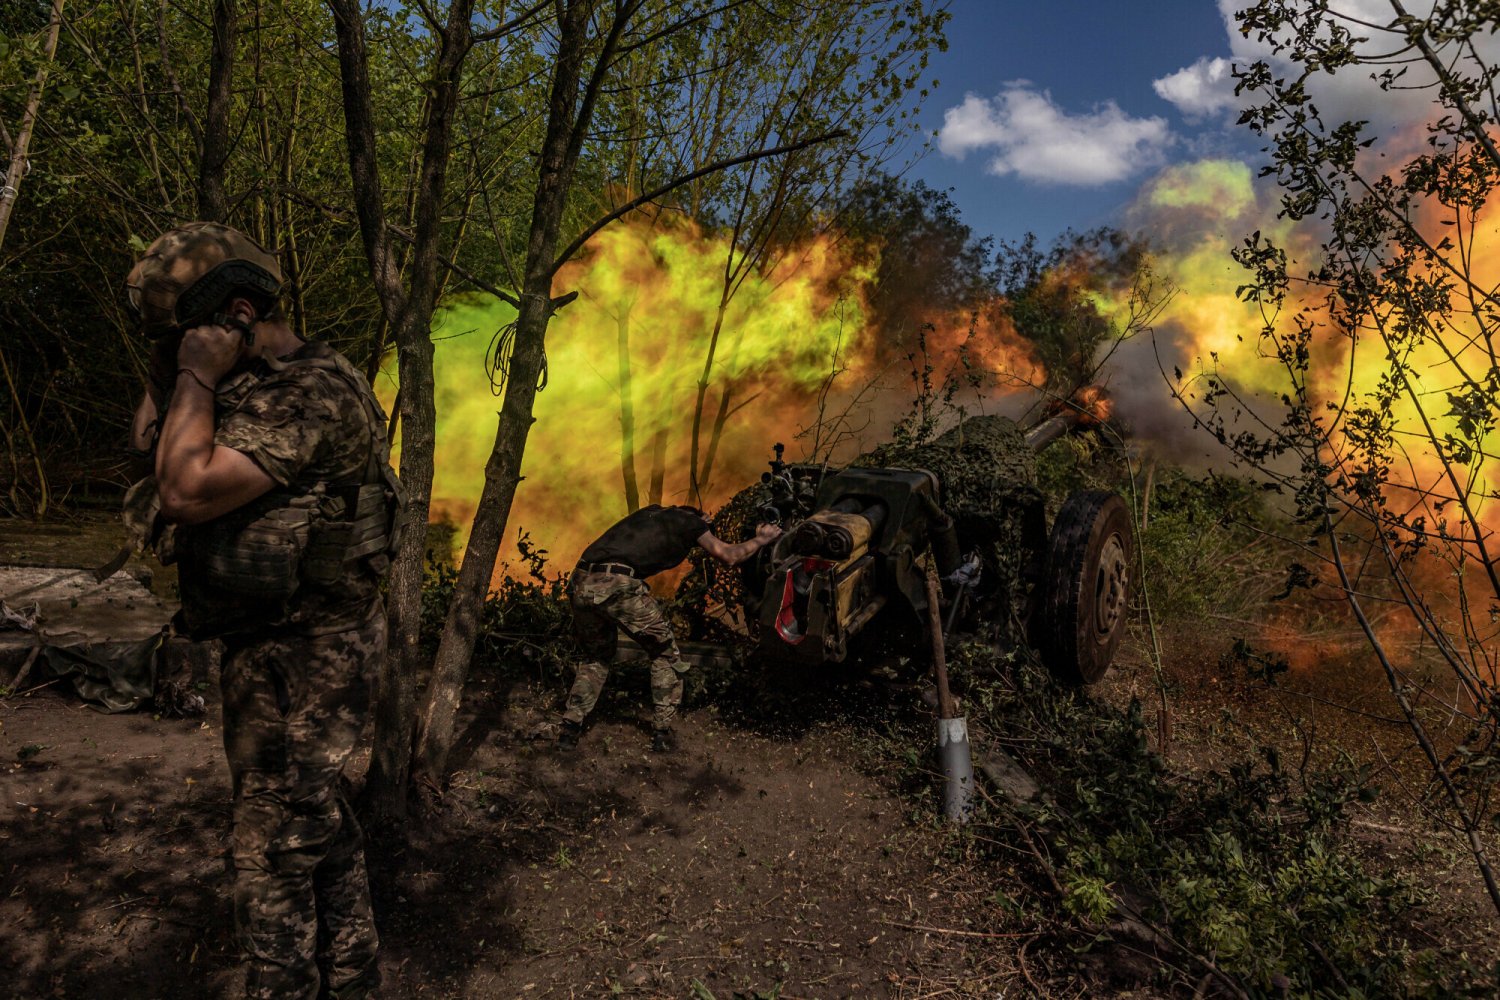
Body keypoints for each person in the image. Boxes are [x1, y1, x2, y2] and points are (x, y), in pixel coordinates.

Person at [123, 222, 399, 1000]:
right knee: (317, 830)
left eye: (186, 337)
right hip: (264, 648)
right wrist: (179, 370)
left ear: (238, 314)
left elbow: (179, 489)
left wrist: (200, 378)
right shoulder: (239, 383)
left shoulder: (310, 392)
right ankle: (353, 980)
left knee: (272, 852)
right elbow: (147, 438)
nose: (180, 355)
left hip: (316, 657)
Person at [560, 504, 781, 752]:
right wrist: (762, 539)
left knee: (596, 656)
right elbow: (728, 555)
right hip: (616, 583)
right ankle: (662, 734)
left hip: (580, 581)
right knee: (665, 654)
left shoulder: (651, 513)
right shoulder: (691, 522)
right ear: (701, 518)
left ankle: (570, 728)